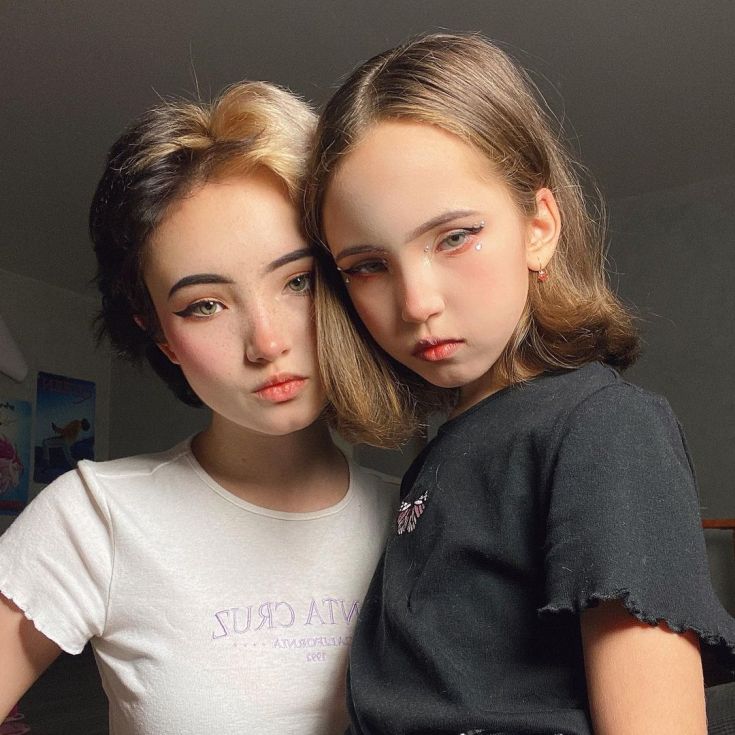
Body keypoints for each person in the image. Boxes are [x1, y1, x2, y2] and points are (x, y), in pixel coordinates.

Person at [305, 32, 735, 735]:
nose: (416, 302)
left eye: (453, 237)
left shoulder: (605, 427)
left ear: (538, 226)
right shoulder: (444, 450)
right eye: (367, 266)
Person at [0, 81, 397, 734]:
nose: (267, 342)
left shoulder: (421, 515)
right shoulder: (97, 518)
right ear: (160, 333)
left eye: (298, 281)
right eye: (204, 304)